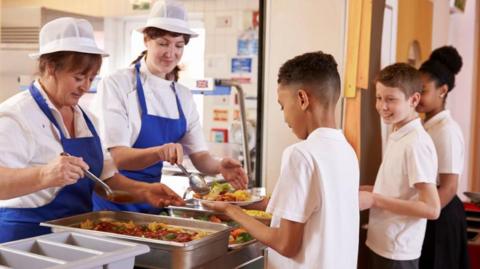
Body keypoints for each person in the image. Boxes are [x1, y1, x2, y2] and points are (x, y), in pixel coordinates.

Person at [0, 17, 184, 243]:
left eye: (91, 78)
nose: (86, 86)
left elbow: (106, 180)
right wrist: (44, 175)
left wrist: (145, 191)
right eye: (78, 77)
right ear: (50, 68)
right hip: (25, 240)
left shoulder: (86, 118)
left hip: (74, 237)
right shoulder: (16, 115)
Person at [204, 51, 360, 269]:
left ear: (302, 99)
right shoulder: (346, 150)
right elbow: (312, 209)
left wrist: (231, 211)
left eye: (282, 106)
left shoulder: (301, 154)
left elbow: (286, 244)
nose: (285, 117)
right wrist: (245, 202)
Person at [90, 0, 247, 214]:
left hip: (154, 201)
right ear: (146, 40)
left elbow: (201, 158)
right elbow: (120, 158)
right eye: (163, 43)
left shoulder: (182, 96)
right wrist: (159, 152)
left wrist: (220, 166)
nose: (170, 53)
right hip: (115, 202)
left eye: (178, 45)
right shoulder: (117, 84)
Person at [359, 63, 441, 269]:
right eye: (379, 98)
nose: (382, 107)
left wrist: (375, 199)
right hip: (382, 242)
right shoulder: (398, 133)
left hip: (398, 252)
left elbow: (432, 209)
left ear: (414, 99)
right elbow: (401, 190)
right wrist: (369, 191)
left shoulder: (416, 143)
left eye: (391, 100)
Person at [416, 46, 470, 269]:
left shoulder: (446, 130)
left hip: (441, 215)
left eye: (424, 90)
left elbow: (448, 187)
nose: (417, 96)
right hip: (430, 210)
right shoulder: (425, 126)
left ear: (443, 90)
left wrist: (420, 215)